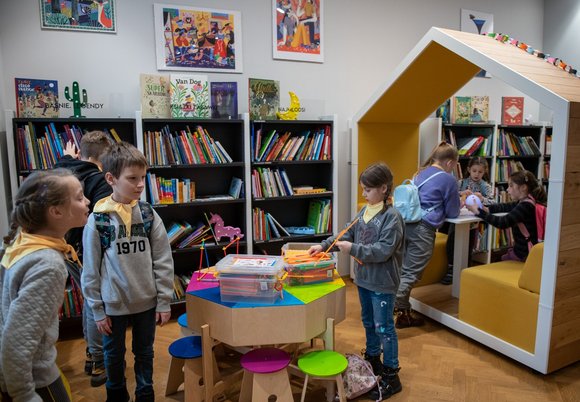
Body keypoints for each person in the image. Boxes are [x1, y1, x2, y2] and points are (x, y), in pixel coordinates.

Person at [81, 141, 174, 402]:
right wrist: (97, 309)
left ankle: (145, 394)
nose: (140, 184)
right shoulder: (98, 219)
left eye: (143, 177)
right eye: (132, 178)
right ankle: (117, 395)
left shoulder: (147, 214)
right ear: (111, 178)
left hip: (146, 302)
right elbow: (90, 270)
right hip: (112, 306)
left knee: (145, 353)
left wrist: (164, 300)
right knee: (113, 356)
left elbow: (163, 259)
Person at [308, 162, 405, 400]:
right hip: (364, 281)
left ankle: (392, 375)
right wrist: (323, 246)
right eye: (362, 189)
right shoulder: (364, 212)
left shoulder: (392, 217)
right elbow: (345, 233)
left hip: (382, 283)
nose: (363, 194)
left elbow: (382, 251)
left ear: (383, 188)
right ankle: (373, 359)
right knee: (369, 323)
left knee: (385, 328)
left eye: (368, 190)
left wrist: (352, 249)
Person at [0, 169, 90, 402]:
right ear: (56, 211)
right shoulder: (47, 264)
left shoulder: (26, 240)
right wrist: (24, 395)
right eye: (79, 197)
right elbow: (17, 340)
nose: (87, 201)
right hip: (33, 381)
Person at [55, 130, 114, 387]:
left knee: (89, 299)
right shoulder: (100, 180)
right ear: (106, 155)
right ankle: (100, 359)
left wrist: (67, 158)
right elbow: (101, 221)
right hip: (86, 248)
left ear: (81, 152)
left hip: (66, 245)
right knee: (94, 302)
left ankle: (92, 354)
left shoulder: (62, 170)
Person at [395, 142, 461, 328]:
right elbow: (454, 212)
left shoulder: (419, 173)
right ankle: (384, 308)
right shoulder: (448, 179)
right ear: (449, 162)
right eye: (455, 165)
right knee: (411, 274)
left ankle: (403, 315)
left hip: (404, 225)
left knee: (403, 270)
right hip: (423, 229)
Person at [466, 169, 546, 262]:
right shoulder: (528, 201)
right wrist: (486, 209)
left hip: (524, 254)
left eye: (511, 186)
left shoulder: (526, 206)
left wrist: (478, 212)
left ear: (523, 187)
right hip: (524, 251)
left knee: (500, 260)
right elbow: (505, 206)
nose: (507, 189)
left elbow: (502, 223)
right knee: (503, 257)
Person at [441, 156, 494, 285]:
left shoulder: (485, 186)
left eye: (480, 172)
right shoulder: (461, 183)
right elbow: (451, 195)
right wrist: (461, 193)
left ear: (484, 172)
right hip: (458, 216)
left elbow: (492, 202)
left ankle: (465, 271)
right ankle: (451, 268)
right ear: (469, 169)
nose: (477, 174)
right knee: (452, 242)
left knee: (469, 245)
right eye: (474, 171)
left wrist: (482, 198)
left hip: (472, 220)